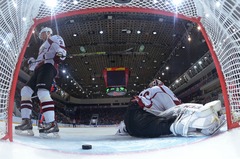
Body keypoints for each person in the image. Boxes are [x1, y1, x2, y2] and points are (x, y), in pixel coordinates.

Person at [116, 79, 225, 137]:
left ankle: (124, 128)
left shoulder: (147, 94)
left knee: (144, 127)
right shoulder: (162, 89)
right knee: (171, 123)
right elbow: (177, 110)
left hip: (130, 117)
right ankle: (201, 123)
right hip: (141, 119)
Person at [15, 27, 67, 137]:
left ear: (49, 32)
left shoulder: (55, 37)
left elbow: (61, 51)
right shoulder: (42, 47)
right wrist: (31, 62)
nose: (41, 36)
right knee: (25, 91)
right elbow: (34, 66)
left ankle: (51, 123)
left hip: (48, 66)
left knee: (42, 92)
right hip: (39, 69)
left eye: (43, 33)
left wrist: (60, 53)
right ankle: (26, 122)